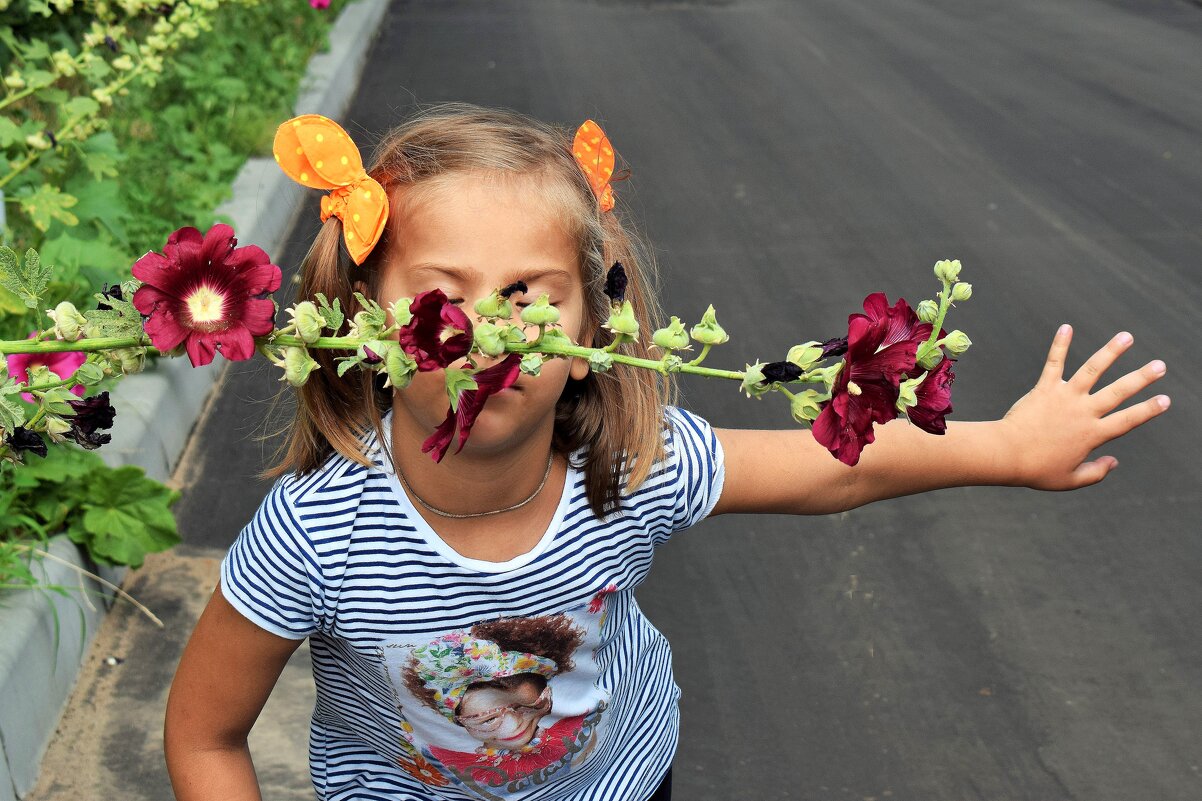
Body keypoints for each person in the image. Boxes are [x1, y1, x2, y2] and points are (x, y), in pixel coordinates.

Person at [162, 103, 1170, 801]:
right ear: (361, 318)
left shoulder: (631, 467)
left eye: (529, 296)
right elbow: (205, 733)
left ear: (590, 325)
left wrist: (1006, 445)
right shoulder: (315, 536)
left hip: (624, 779)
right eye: (445, 290)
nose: (495, 329)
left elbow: (835, 466)